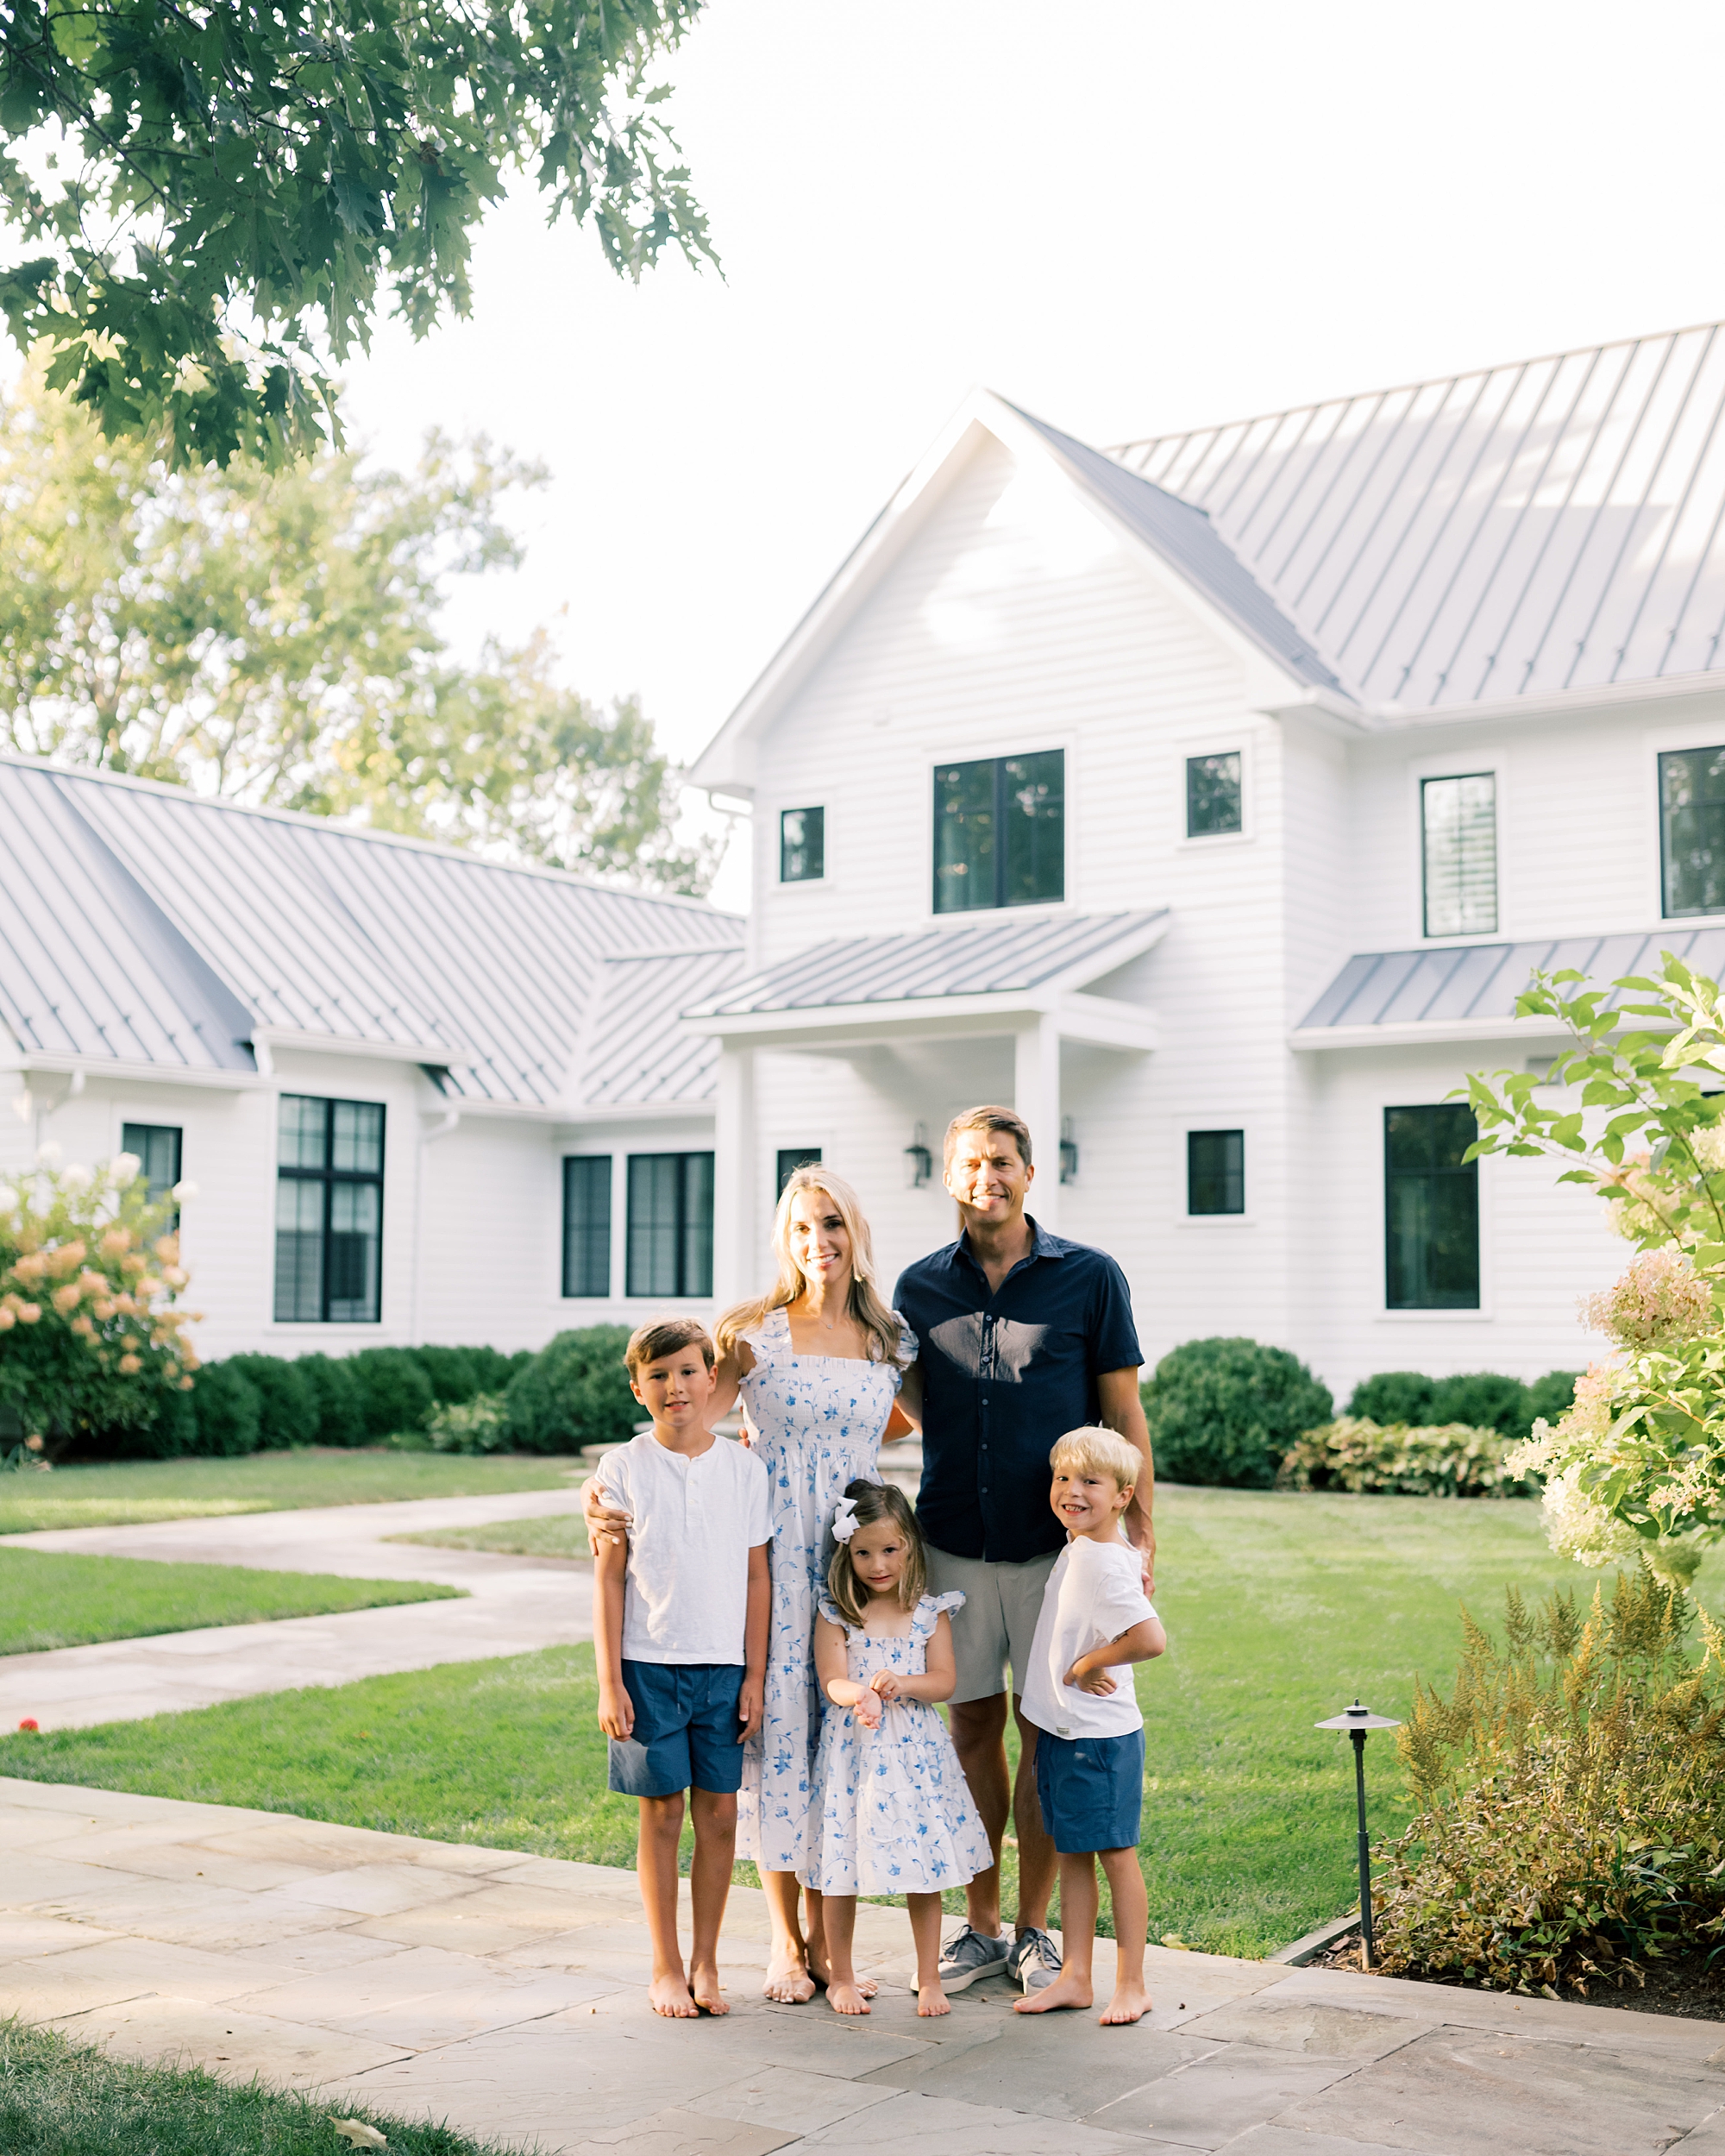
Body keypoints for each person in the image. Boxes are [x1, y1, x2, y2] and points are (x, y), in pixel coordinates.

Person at [582, 1166, 917, 2006]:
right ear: (784, 1239)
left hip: (848, 1566)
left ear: (855, 1230)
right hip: (768, 1557)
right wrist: (601, 1491)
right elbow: (684, 1417)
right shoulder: (754, 1336)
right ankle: (780, 1942)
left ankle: (827, 1941)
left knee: (834, 1749)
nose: (820, 1242)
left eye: (832, 1224)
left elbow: (909, 1425)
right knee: (776, 1748)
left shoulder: (888, 1339)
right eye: (803, 1228)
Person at [891, 1105, 1154, 2001]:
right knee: (969, 1731)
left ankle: (1037, 1930)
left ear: (1028, 1174)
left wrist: (1138, 1530)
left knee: (1045, 1735)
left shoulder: (1089, 1278)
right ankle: (980, 1922)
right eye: (969, 1164)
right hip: (955, 1544)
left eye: (1000, 1162)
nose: (985, 1178)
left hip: (1059, 1555)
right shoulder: (919, 1287)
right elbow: (904, 1399)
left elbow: (1122, 1415)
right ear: (950, 1175)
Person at [592, 1317, 771, 2019]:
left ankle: (706, 1961)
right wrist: (610, 1681)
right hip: (647, 1668)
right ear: (638, 1388)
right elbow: (608, 1581)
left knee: (720, 1813)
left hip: (723, 1670)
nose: (676, 1386)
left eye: (690, 1370)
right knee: (662, 1813)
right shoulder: (623, 1469)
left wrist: (753, 1675)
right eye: (659, 1375)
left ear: (713, 1378)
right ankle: (665, 1965)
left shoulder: (744, 1470)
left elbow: (758, 1578)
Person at [802, 1478, 991, 2018]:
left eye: (889, 1549)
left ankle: (929, 1976)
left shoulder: (930, 1612)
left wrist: (902, 1684)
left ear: (910, 1544)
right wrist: (857, 1693)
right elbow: (831, 1678)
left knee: (923, 1863)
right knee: (842, 1864)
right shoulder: (837, 1611)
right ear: (847, 1553)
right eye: (863, 1552)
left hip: (914, 1756)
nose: (877, 1564)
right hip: (853, 1755)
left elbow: (945, 1682)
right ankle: (840, 1975)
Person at [1015, 1426, 1165, 2024]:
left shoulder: (1102, 1562)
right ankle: (1076, 1974)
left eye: (1090, 1482)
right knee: (1073, 1856)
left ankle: (1132, 1983)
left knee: (1116, 1857)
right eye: (1063, 1478)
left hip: (1099, 1742)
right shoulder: (1084, 1545)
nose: (1071, 1491)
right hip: (1063, 1732)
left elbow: (1150, 1638)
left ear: (1123, 1496)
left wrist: (1088, 1662)